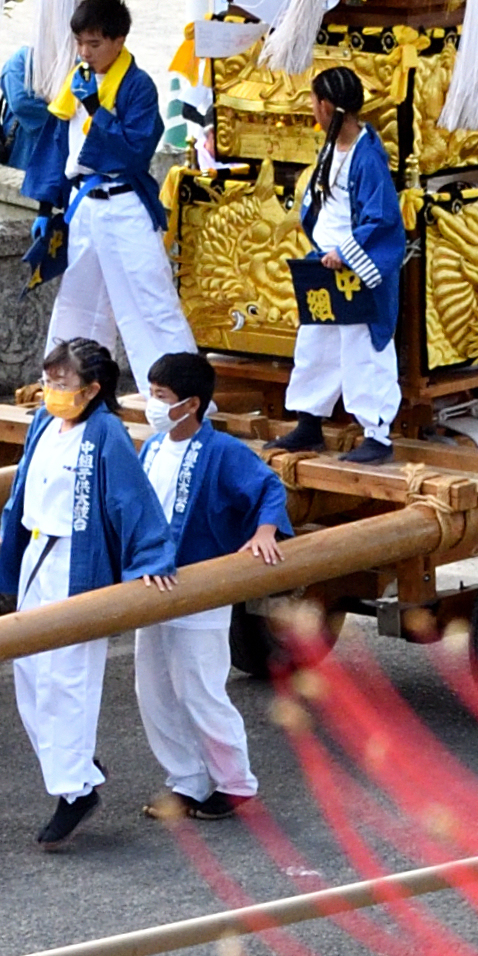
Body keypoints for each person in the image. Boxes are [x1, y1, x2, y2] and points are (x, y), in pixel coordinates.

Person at [0, 337, 178, 851]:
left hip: (79, 560)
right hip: (36, 552)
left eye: (62, 382)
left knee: (67, 679)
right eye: (48, 379)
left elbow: (130, 498)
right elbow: (25, 485)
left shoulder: (106, 433)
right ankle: (73, 765)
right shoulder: (43, 423)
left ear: (93, 389)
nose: (51, 390)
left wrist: (151, 557)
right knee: (29, 675)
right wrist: (10, 533)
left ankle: (74, 789)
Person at [135, 351, 287, 821]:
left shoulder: (221, 450)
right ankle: (186, 780)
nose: (152, 405)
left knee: (200, 688)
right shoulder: (153, 446)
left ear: (192, 403)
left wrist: (265, 532)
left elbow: (268, 488)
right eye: (152, 394)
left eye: (161, 397)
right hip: (150, 585)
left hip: (199, 587)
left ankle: (236, 784)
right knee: (153, 688)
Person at [32, 0, 196, 389]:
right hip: (83, 205)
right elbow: (58, 143)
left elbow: (136, 150)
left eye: (94, 44)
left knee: (150, 300)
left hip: (123, 202)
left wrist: (96, 110)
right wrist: (44, 206)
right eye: (80, 43)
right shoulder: (78, 80)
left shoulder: (138, 87)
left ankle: (181, 393)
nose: (85, 53)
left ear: (119, 41)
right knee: (77, 302)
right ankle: (67, 387)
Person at [272, 65, 409, 466]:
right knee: (316, 342)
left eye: (314, 102)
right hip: (326, 263)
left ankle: (378, 434)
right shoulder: (333, 145)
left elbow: (381, 218)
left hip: (356, 266)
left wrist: (345, 251)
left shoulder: (367, 158)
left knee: (363, 347)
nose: (312, 109)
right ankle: (309, 422)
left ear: (327, 106)